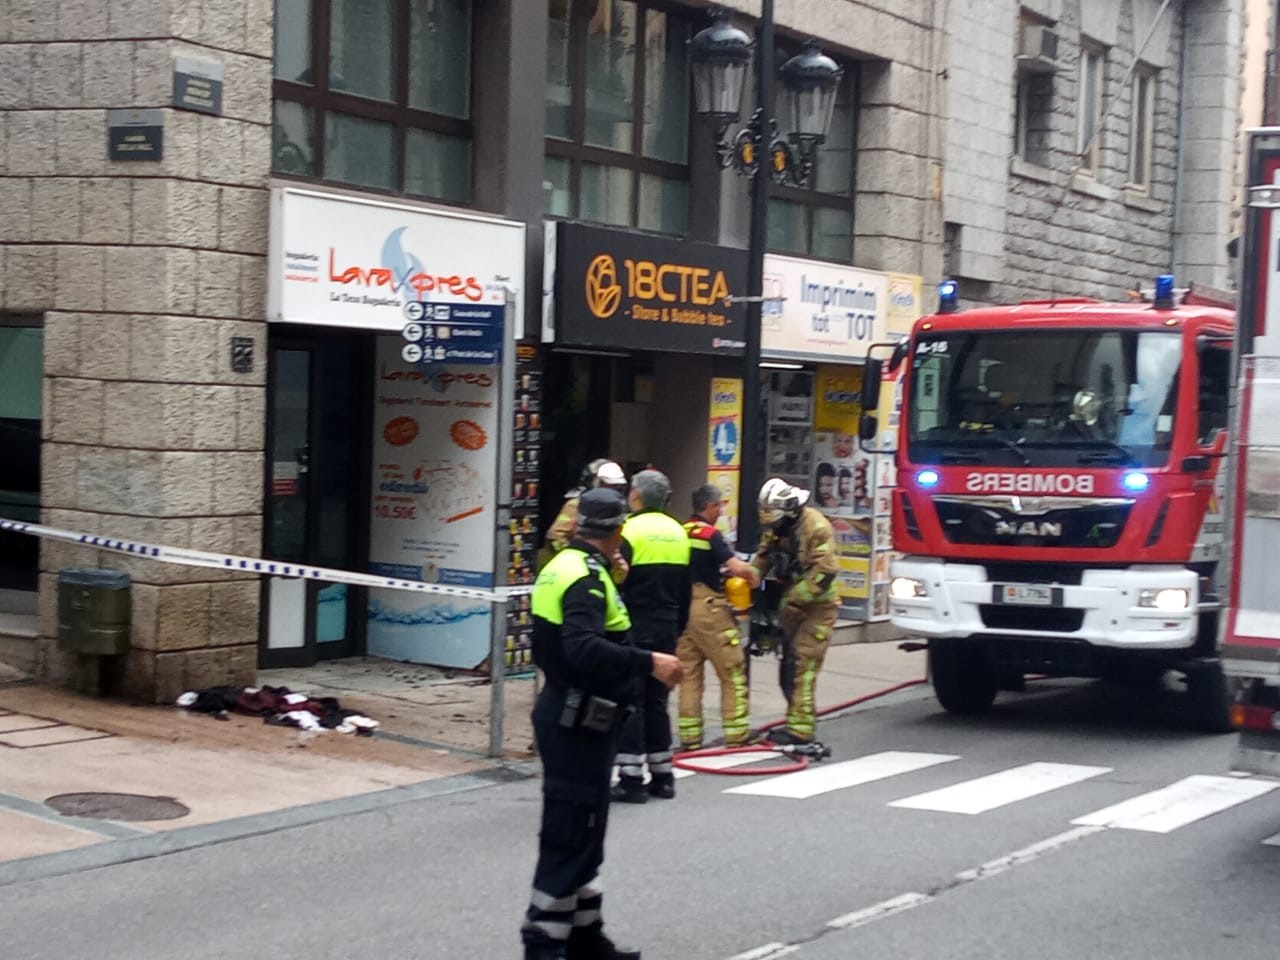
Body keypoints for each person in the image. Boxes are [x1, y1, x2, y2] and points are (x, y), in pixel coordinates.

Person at [521, 487, 682, 960]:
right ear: (617, 531)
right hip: (576, 721)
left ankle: (587, 939)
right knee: (570, 835)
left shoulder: (567, 566)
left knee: (587, 833)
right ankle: (543, 944)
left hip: (576, 716)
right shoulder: (585, 580)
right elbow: (583, 647)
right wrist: (648, 661)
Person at [612, 469, 692, 803]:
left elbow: (616, 581)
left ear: (636, 495)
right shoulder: (678, 532)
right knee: (657, 701)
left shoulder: (628, 531)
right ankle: (663, 777)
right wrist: (677, 628)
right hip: (666, 626)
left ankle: (631, 780)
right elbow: (686, 590)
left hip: (634, 625)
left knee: (631, 702)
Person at [749, 477, 840, 745]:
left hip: (817, 608)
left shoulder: (816, 526)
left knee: (803, 664)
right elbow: (764, 556)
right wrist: (750, 576)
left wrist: (795, 599)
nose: (771, 528)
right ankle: (795, 718)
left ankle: (801, 731)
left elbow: (825, 572)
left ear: (789, 510)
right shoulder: (778, 526)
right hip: (792, 606)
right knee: (788, 666)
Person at [675, 483, 761, 751]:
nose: (721, 511)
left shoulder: (679, 531)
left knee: (689, 675)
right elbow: (736, 567)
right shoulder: (710, 534)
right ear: (710, 506)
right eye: (719, 506)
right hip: (709, 609)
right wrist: (753, 575)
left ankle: (690, 738)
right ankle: (737, 734)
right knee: (732, 670)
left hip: (682, 609)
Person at [537, 459, 628, 571]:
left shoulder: (620, 509)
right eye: (606, 485)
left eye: (617, 487)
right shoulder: (576, 506)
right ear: (593, 482)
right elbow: (555, 537)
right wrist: (575, 560)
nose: (612, 490)